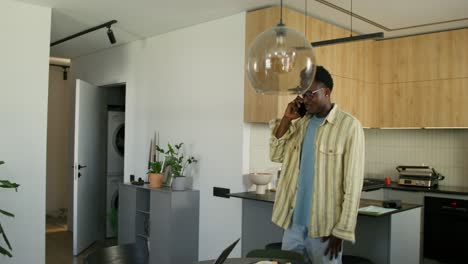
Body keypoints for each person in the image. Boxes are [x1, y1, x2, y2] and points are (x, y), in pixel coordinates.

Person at [269, 66, 365, 264]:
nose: (305, 99)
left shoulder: (349, 127)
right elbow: (276, 155)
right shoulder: (299, 124)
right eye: (302, 94)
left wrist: (342, 230)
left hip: (325, 228)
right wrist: (287, 119)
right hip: (292, 224)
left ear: (327, 92)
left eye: (310, 94)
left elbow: (353, 185)